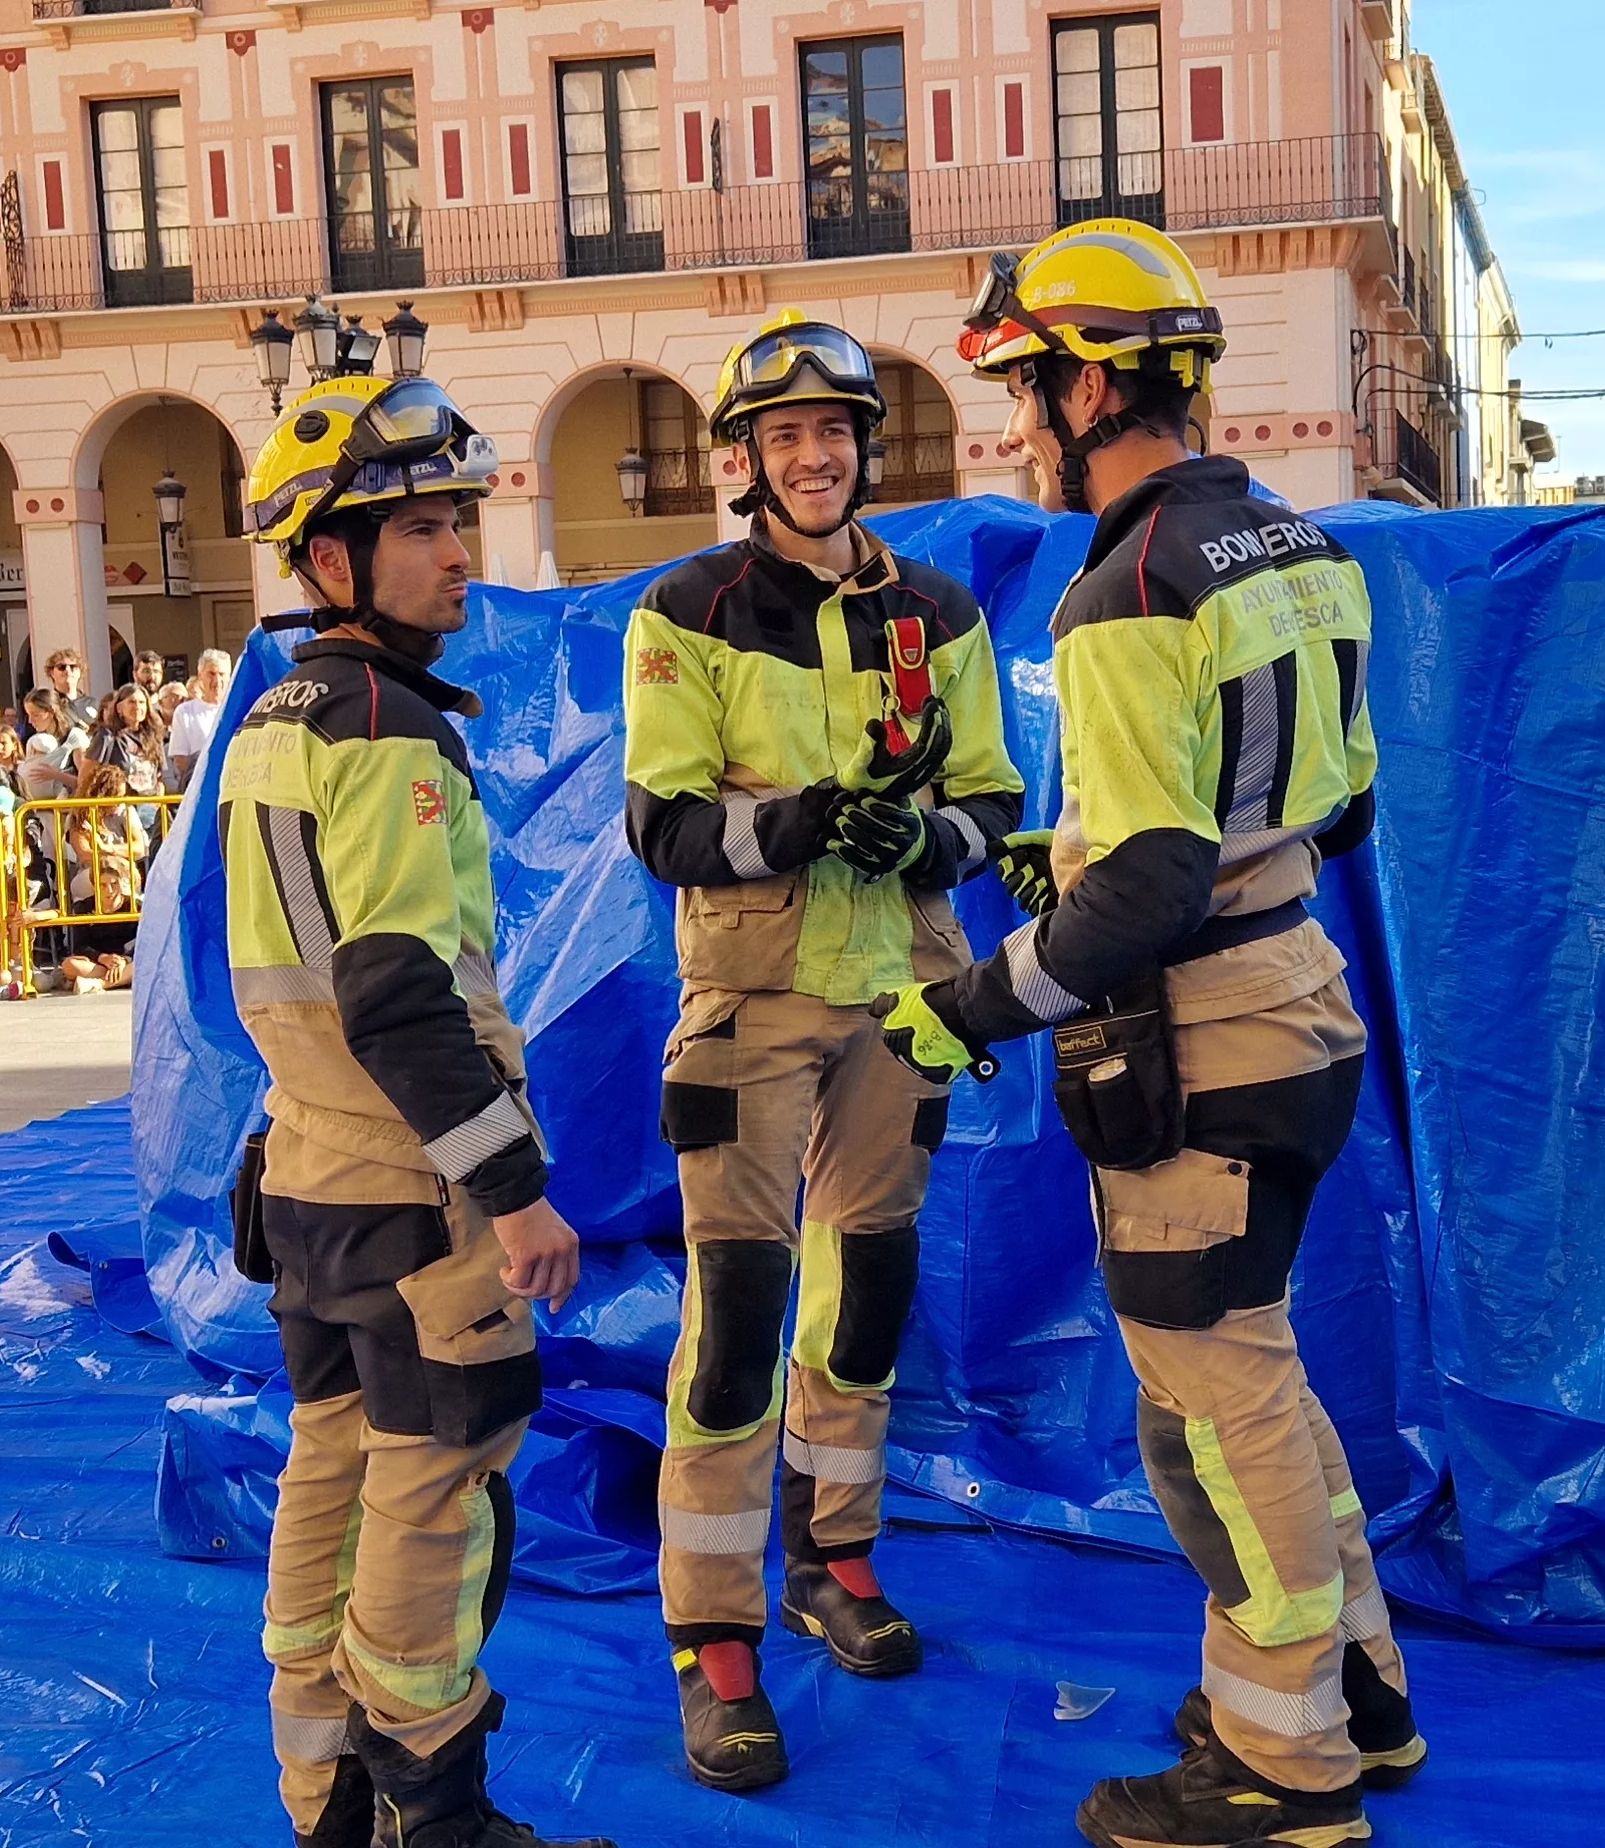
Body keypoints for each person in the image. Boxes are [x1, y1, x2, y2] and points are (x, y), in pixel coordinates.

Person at [879, 217, 1419, 1847]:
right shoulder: (1301, 546)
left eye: (1030, 390)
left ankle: (1282, 1767)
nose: (1018, 429)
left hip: (1207, 1043)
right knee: (1265, 1374)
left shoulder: (1123, 590)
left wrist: (963, 1005)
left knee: (1207, 1411)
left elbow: (1154, 882)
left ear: (1100, 388)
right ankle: (1359, 1693)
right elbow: (1349, 804)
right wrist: (1139, 862)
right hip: (1303, 1008)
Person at [615, 309, 1024, 1789]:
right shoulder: (687, 613)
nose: (812, 456)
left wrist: (924, 834)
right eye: (783, 436)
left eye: (834, 432)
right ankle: (712, 1638)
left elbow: (992, 803)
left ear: (867, 450)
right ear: (744, 461)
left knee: (866, 1301)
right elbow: (663, 825)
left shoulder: (943, 613)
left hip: (902, 1000)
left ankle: (831, 1557)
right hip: (755, 1004)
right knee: (733, 1322)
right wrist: (796, 821)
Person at [216, 368, 604, 1848]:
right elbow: (397, 992)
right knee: (437, 1491)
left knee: (329, 1462)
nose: (460, 551)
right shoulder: (387, 728)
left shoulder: (275, 716)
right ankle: (431, 1809)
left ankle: (323, 1798)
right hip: (412, 1190)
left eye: (461, 517)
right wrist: (514, 1190)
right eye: (422, 524)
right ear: (330, 559)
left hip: (310, 1176)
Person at [163, 649, 235, 791]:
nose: (217, 681)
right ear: (200, 676)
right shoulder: (185, 712)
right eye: (211, 674)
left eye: (222, 674)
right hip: (201, 788)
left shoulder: (239, 709)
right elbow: (180, 760)